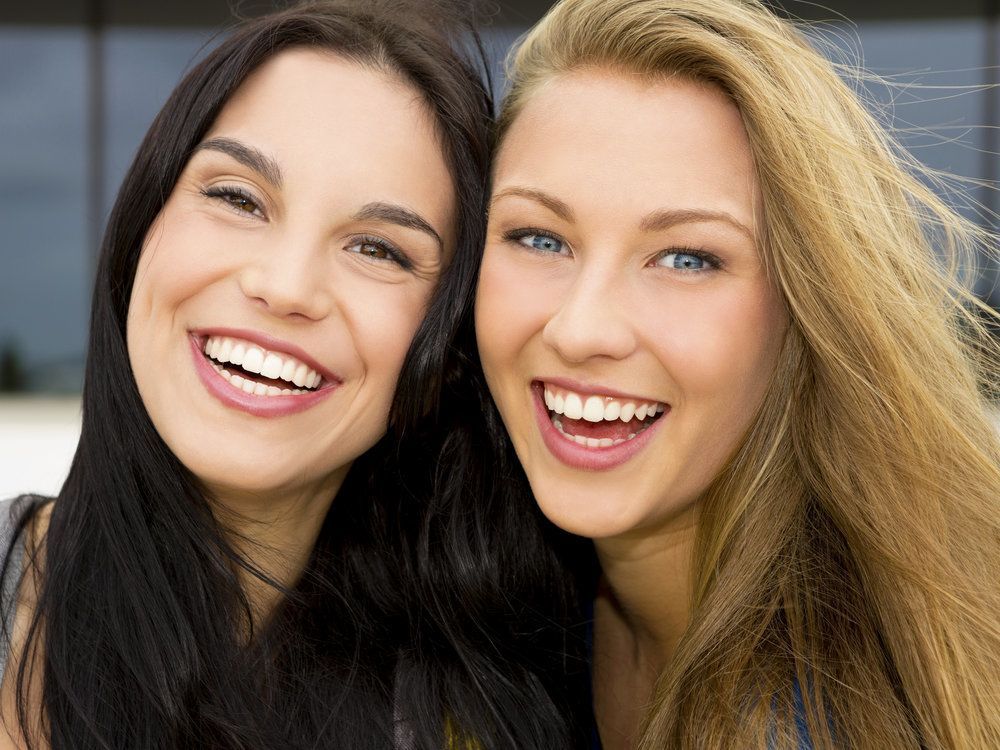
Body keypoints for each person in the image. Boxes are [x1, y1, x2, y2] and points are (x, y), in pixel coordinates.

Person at [0, 2, 584, 747]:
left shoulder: (474, 717)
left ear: (444, 355)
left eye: (377, 249)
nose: (286, 287)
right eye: (238, 198)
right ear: (142, 226)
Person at [475, 0, 1000, 748]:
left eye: (687, 258)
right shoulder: (489, 610)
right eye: (539, 238)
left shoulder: (834, 717)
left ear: (808, 309)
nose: (581, 330)